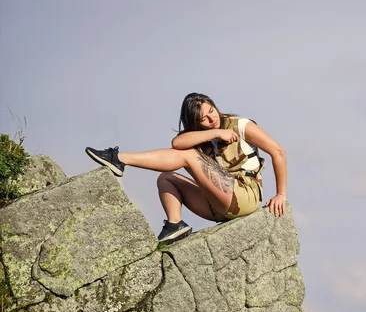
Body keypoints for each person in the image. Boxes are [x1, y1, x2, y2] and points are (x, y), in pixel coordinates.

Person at [85, 92, 287, 242]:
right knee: (166, 178)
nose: (212, 118)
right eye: (204, 119)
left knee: (190, 156)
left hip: (244, 196)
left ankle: (119, 159)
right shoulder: (205, 135)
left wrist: (281, 194)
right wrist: (215, 134)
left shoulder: (240, 125)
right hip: (215, 206)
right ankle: (175, 225)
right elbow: (177, 143)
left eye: (211, 110)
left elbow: (278, 152)